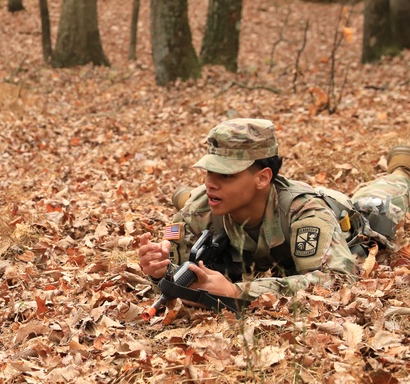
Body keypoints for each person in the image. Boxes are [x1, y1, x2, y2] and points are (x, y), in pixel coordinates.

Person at [138, 118, 410, 305]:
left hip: (344, 218)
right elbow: (176, 273)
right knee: (198, 201)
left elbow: (337, 280)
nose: (211, 181)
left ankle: (401, 170)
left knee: (378, 206)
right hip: (237, 205)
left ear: (262, 177)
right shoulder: (198, 209)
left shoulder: (306, 213)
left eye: (226, 174)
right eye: (209, 171)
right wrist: (159, 271)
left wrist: (238, 291)